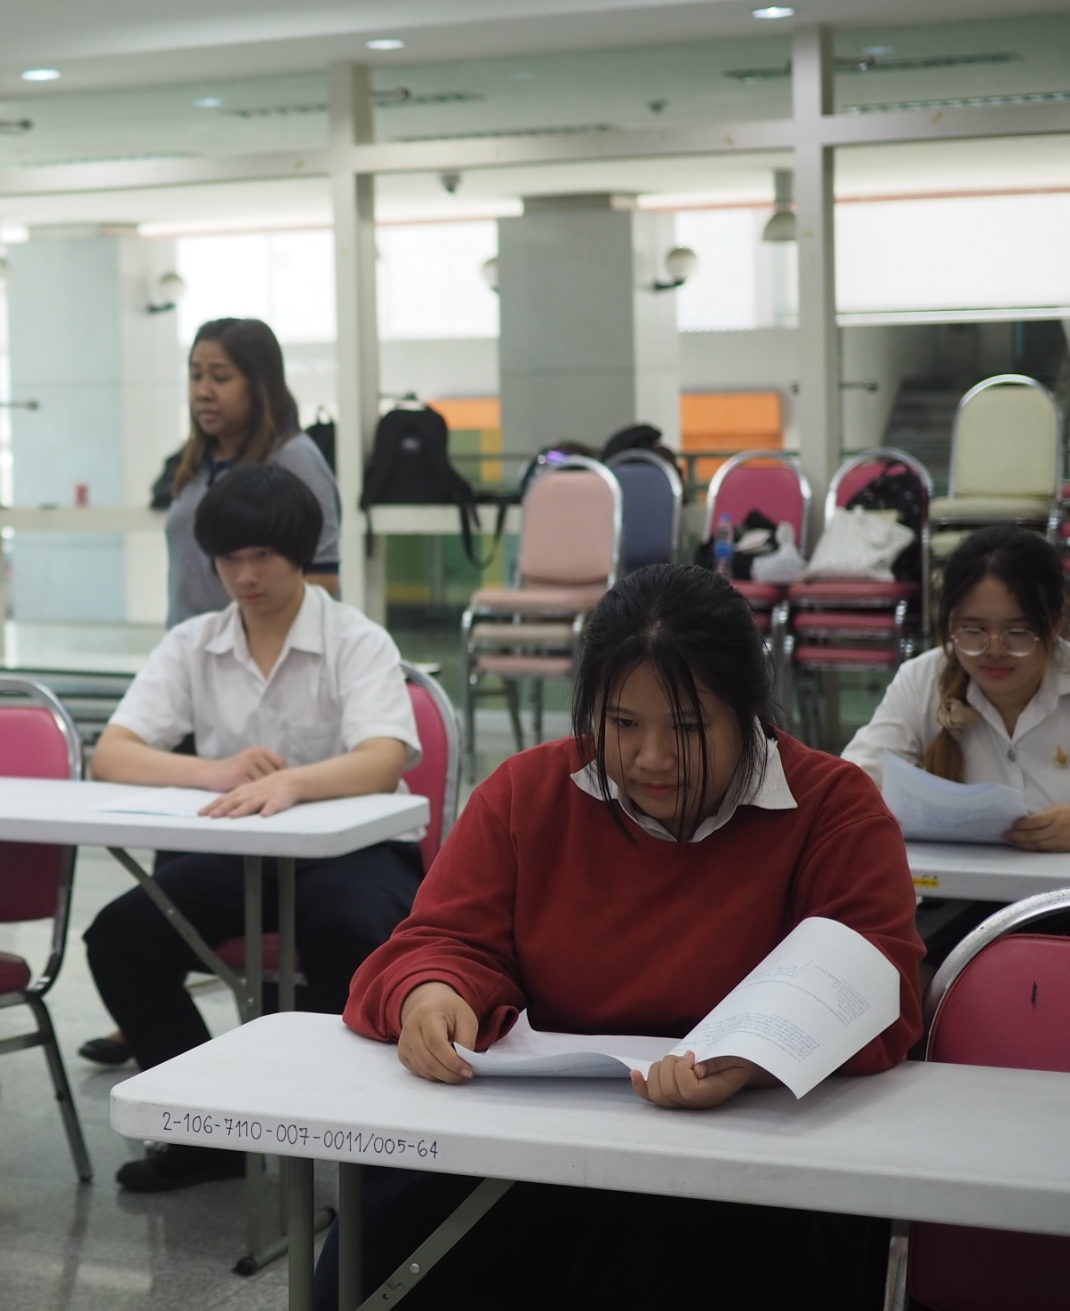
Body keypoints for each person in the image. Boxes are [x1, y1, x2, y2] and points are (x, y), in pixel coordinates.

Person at [325, 563, 922, 1310]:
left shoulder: (832, 808)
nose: (652, 759)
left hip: (752, 1154)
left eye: (689, 728)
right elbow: (438, 939)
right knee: (369, 1255)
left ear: (749, 710)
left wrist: (755, 1061)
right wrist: (432, 993)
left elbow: (878, 984)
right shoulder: (528, 794)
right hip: (540, 1140)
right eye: (622, 724)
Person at [84, 464, 421, 1190]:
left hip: (355, 854)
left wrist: (293, 781)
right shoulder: (193, 644)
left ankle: (352, 1136)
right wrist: (211, 771)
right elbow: (112, 755)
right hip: (241, 857)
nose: (245, 575)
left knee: (349, 933)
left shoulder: (355, 638)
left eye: (262, 555)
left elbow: (383, 758)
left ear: (299, 552)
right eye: (229, 558)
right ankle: (205, 1130)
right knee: (119, 937)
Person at [843, 525, 1070, 851]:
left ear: (1055, 625)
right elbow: (852, 782)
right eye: (973, 630)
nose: (994, 650)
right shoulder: (923, 679)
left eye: (1018, 632)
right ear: (950, 623)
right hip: (946, 880)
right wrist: (871, 802)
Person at [163, 317, 339, 629]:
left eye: (220, 377)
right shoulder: (195, 460)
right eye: (195, 376)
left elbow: (322, 578)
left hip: (257, 650)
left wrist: (253, 643)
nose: (203, 392)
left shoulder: (293, 458)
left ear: (259, 385)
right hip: (189, 645)